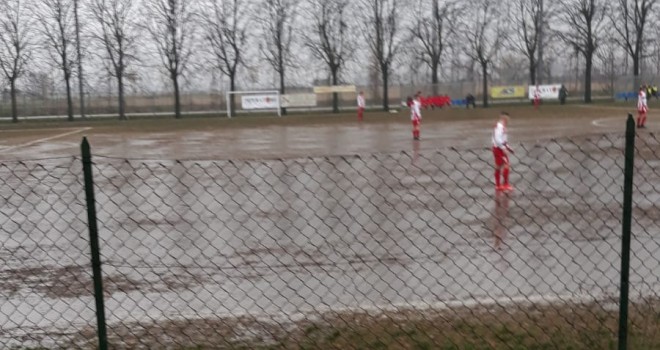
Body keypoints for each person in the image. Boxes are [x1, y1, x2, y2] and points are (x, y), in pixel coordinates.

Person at [492, 112, 514, 192]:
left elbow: (503, 139)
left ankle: (498, 185)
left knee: (498, 166)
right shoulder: (499, 127)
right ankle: (505, 184)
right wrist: (503, 148)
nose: (509, 120)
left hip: (498, 148)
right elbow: (497, 139)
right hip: (499, 149)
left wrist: (508, 147)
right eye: (508, 118)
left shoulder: (502, 127)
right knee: (506, 165)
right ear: (504, 118)